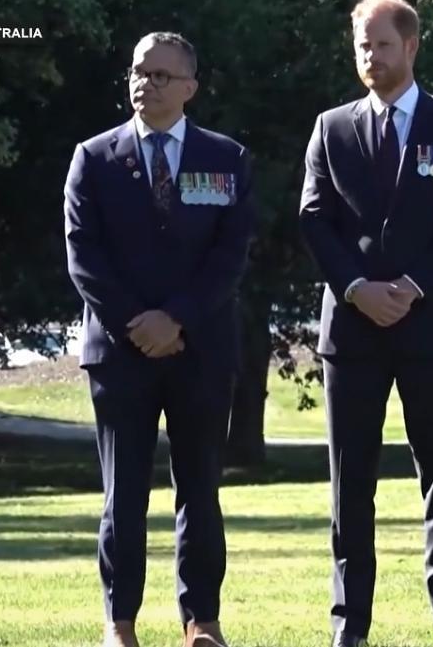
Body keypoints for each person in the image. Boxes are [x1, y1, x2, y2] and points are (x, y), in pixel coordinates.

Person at [298, 0, 433, 647]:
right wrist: (356, 288)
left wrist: (410, 286)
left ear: (410, 46)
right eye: (362, 47)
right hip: (351, 332)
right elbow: (313, 218)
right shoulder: (332, 127)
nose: (371, 57)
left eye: (381, 45)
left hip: (430, 327)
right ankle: (350, 622)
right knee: (350, 482)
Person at [63, 32, 255, 647]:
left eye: (162, 76)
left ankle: (202, 621)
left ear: (191, 88)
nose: (146, 83)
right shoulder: (93, 158)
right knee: (123, 495)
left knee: (200, 489)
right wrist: (137, 324)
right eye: (139, 72)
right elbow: (83, 256)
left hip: (199, 349)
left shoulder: (227, 159)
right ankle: (119, 624)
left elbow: (230, 255)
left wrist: (176, 319)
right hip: (120, 354)